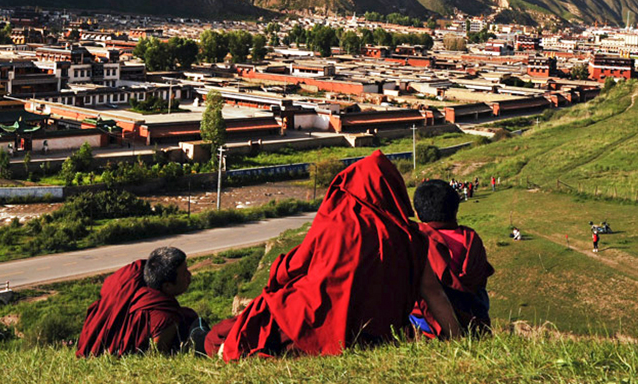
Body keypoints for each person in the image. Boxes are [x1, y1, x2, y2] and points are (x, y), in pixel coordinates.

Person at [204, 151, 462, 359]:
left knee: (222, 334)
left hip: (318, 324)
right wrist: (459, 342)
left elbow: (295, 266)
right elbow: (434, 293)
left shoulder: (338, 221)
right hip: (374, 335)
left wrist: (278, 275)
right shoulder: (411, 238)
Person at [409, 179, 495, 335]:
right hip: (475, 317)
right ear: (456, 209)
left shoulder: (417, 239)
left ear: (417, 212)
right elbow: (481, 279)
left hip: (428, 323)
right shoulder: (471, 239)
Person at [77, 246, 199, 356]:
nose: (190, 275)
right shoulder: (165, 317)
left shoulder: (134, 274)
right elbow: (157, 356)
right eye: (184, 273)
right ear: (167, 286)